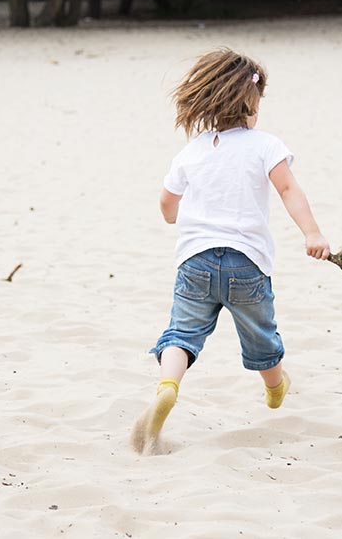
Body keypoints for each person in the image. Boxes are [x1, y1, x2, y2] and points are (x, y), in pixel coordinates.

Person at [131, 48, 330, 455]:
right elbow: (288, 189)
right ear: (251, 103)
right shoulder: (266, 145)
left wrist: (173, 217)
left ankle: (168, 386)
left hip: (195, 262)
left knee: (182, 333)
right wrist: (313, 233)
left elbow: (167, 202)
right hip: (246, 264)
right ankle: (275, 388)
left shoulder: (192, 151)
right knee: (261, 336)